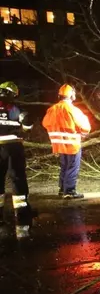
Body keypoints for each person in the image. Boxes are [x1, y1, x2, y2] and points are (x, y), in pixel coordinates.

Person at [42, 84, 91, 199]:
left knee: (64, 166)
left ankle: (62, 189)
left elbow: (45, 123)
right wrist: (82, 135)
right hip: (72, 143)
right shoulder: (73, 110)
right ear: (71, 95)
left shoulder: (51, 109)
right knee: (72, 166)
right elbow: (85, 127)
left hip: (58, 144)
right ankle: (69, 191)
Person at [0, 81, 34, 231]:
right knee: (17, 178)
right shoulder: (17, 109)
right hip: (13, 146)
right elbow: (27, 128)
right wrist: (27, 120)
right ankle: (21, 212)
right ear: (12, 94)